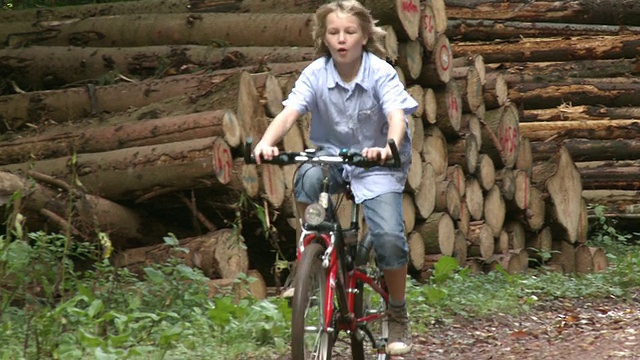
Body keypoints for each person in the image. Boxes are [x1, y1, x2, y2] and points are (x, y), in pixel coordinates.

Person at [252, 0, 418, 355]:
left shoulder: (380, 72)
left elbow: (397, 116)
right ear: (324, 38)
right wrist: (266, 143)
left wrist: (389, 147)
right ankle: (312, 260)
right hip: (332, 156)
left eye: (349, 32)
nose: (341, 39)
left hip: (378, 161)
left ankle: (398, 310)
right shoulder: (315, 73)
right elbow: (289, 113)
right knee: (307, 179)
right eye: (334, 33)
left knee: (388, 236)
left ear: (364, 37)